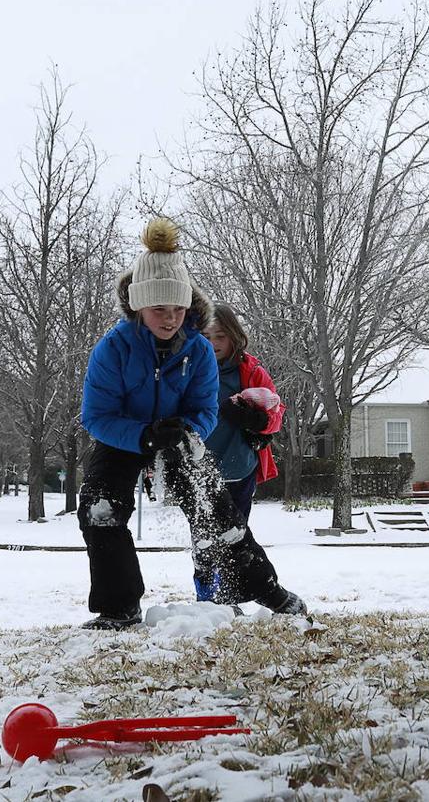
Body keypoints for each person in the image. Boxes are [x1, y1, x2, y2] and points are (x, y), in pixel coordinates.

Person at [78, 217, 306, 629]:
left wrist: (186, 431)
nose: (170, 318)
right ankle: (119, 606)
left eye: (178, 309)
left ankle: (267, 589)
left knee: (218, 512)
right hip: (123, 436)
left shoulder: (199, 349)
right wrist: (143, 435)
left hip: (179, 436)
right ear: (138, 307)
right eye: (159, 309)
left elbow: (205, 408)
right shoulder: (112, 349)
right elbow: (96, 416)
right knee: (100, 509)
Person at [193, 302, 284, 601]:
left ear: (234, 336)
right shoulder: (189, 368)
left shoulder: (251, 370)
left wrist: (258, 422)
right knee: (202, 538)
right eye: (205, 336)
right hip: (199, 472)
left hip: (239, 468)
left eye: (219, 336)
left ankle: (230, 596)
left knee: (234, 537)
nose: (213, 343)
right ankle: (205, 597)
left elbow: (275, 411)